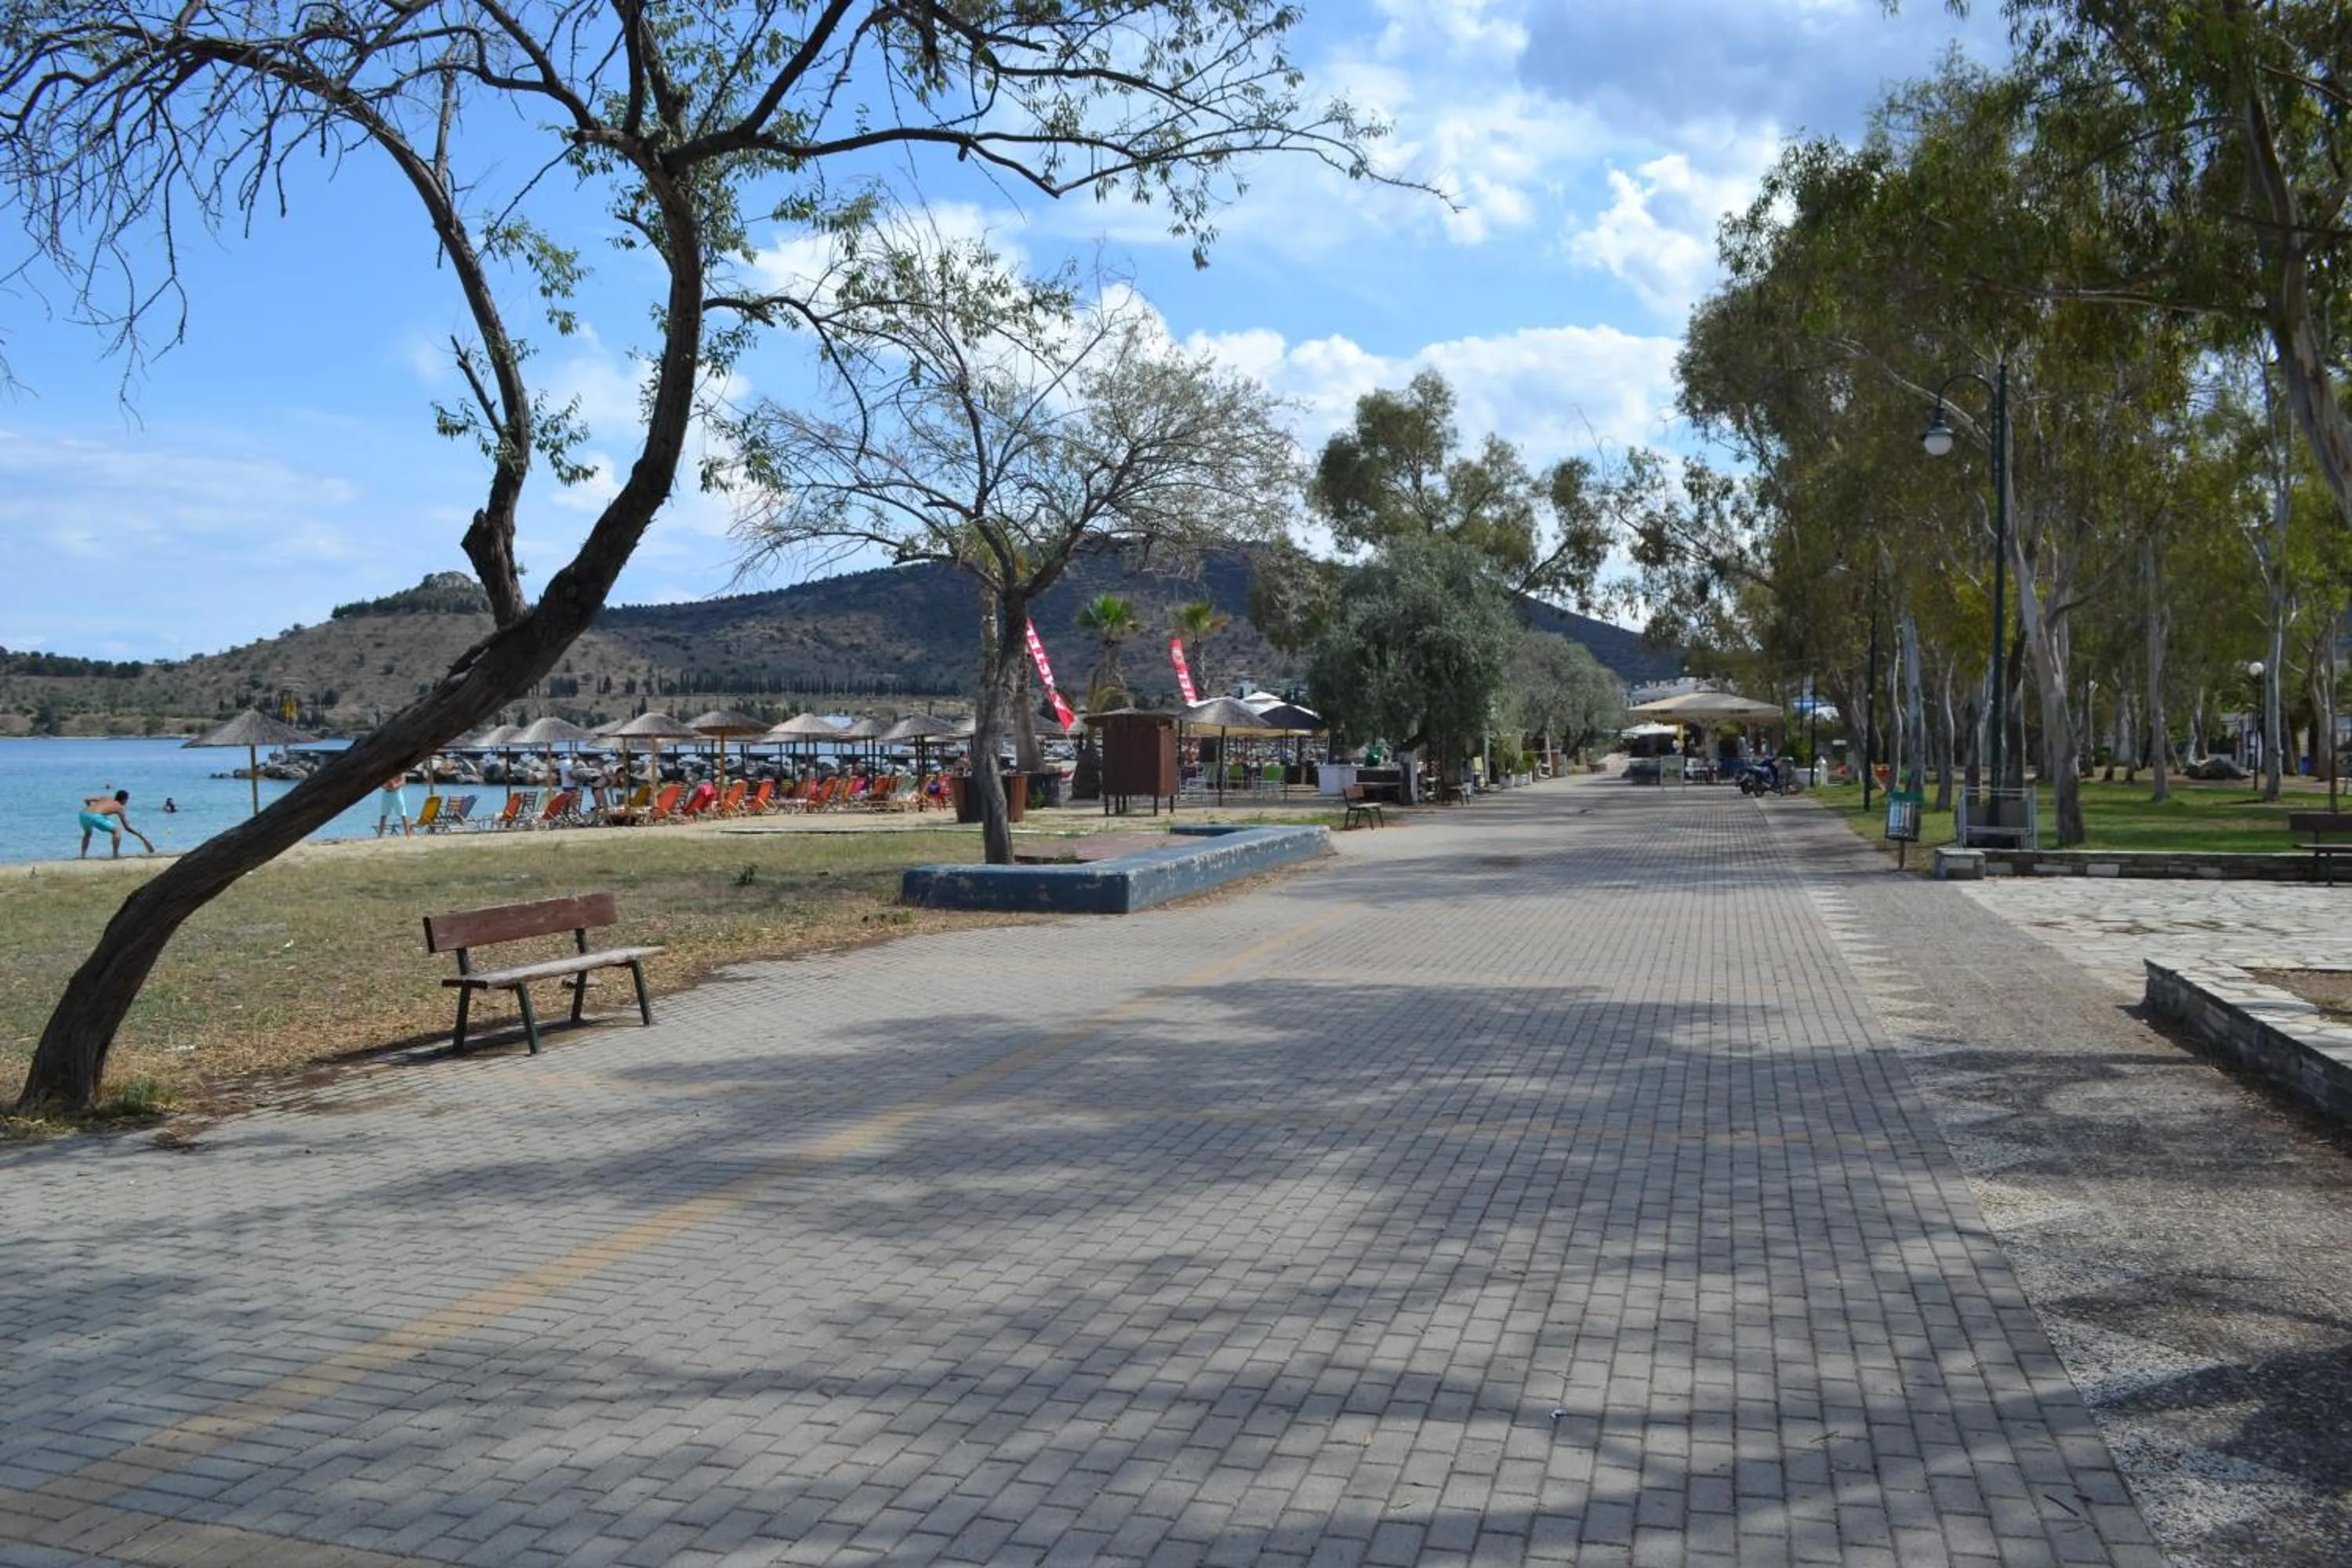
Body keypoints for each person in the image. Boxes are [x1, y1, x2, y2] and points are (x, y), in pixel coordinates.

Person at [78, 789, 154, 858]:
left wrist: (90, 807)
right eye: (127, 800)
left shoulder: (106, 798)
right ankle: (115, 855)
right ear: (124, 799)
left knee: (88, 834)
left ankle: (83, 855)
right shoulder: (119, 807)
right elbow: (127, 828)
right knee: (117, 831)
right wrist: (141, 837)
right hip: (95, 816)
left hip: (83, 814)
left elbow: (87, 799)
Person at [376, 773, 412, 837]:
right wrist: (386, 786)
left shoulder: (400, 769)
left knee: (403, 814)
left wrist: (395, 785)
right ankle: (380, 835)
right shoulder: (386, 769)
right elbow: (379, 781)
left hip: (397, 793)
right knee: (383, 814)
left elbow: (403, 781)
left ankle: (408, 835)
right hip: (386, 793)